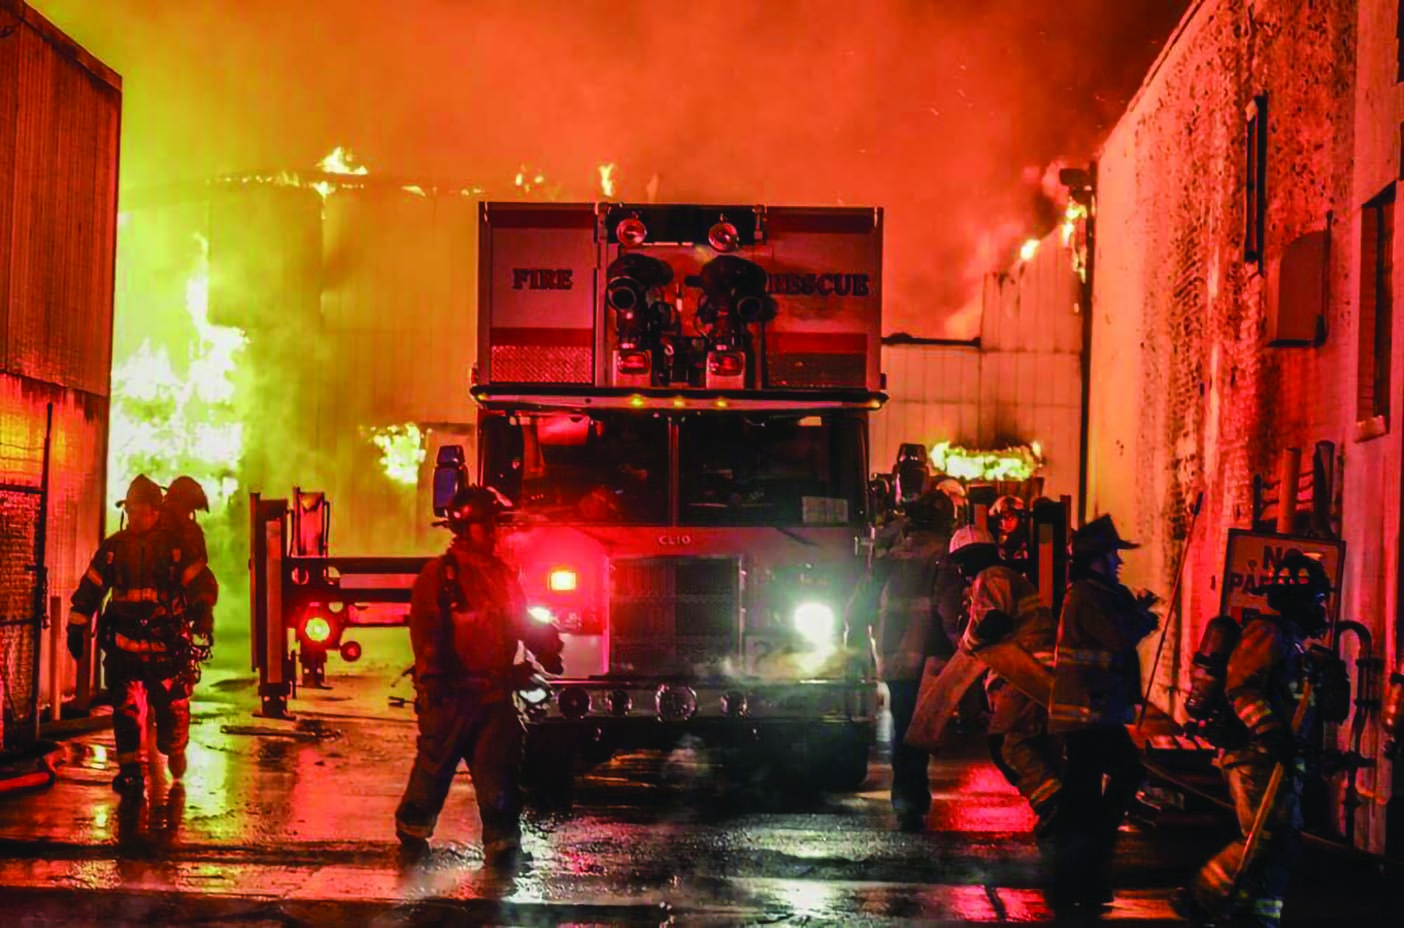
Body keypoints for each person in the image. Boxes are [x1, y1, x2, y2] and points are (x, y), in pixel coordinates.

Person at [395, 484, 564, 868]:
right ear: (463, 527)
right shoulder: (439, 576)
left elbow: (519, 620)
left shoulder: (501, 575)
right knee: (434, 768)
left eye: (493, 525)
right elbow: (427, 633)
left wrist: (546, 646)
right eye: (485, 525)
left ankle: (503, 843)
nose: (493, 533)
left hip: (495, 694)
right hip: (451, 697)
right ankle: (412, 832)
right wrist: (433, 682)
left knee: (498, 772)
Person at [1176, 552, 1335, 928]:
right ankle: (1200, 895)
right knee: (1265, 838)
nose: (1321, 609)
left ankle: (1257, 917)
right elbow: (1241, 687)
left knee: (1282, 845)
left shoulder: (1294, 644)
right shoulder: (1268, 633)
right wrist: (1270, 732)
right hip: (1254, 756)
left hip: (1277, 760)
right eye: (1316, 600)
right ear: (1298, 600)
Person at [1047, 514, 1158, 913]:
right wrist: (1142, 618)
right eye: (1114, 554)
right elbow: (1117, 635)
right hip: (1087, 715)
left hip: (1096, 713)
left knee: (1085, 797)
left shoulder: (1099, 594)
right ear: (1097, 558)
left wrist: (1136, 608)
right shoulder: (1085, 596)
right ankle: (1076, 876)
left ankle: (1081, 879)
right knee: (1117, 779)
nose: (1118, 561)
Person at [68, 475, 195, 795]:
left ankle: (174, 748)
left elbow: (197, 584)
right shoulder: (114, 548)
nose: (135, 517)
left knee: (171, 709)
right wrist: (76, 625)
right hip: (124, 648)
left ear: (156, 512)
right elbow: (92, 586)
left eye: (141, 511)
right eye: (131, 511)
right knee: (125, 710)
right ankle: (130, 773)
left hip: (165, 650)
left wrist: (202, 611)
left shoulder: (174, 547)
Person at [947, 525, 1063, 834]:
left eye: (961, 562)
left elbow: (994, 622)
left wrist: (969, 643)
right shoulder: (1008, 577)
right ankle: (1064, 806)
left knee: (1006, 744)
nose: (960, 571)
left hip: (1024, 674)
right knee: (1036, 743)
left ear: (971, 559)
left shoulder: (991, 577)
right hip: (1033, 672)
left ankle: (1053, 805)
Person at [867, 488, 956, 831]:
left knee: (902, 725)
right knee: (919, 731)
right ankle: (913, 800)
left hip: (893, 658)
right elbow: (948, 609)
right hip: (927, 657)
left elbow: (862, 599)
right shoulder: (944, 556)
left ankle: (905, 798)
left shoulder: (890, 553)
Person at [157, 476, 220, 778]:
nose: (188, 516)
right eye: (187, 509)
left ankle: (173, 748)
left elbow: (199, 575)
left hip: (173, 622)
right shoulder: (152, 529)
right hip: (156, 623)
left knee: (174, 691)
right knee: (159, 693)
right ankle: (143, 762)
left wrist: (204, 608)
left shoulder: (188, 533)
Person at [989, 495, 1032, 581]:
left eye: (1009, 517)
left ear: (1021, 518)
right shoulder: (997, 544)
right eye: (1000, 519)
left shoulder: (1030, 543)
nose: (1003, 523)